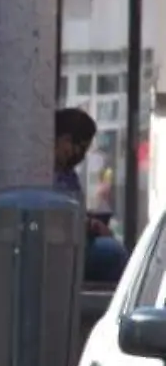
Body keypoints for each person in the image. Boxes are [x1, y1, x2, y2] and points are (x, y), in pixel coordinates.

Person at [55, 108, 129, 284]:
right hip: (61, 247)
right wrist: (89, 225)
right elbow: (58, 215)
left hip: (75, 241)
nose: (80, 157)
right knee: (113, 253)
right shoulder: (46, 173)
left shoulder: (67, 174)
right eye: (80, 149)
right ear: (65, 141)